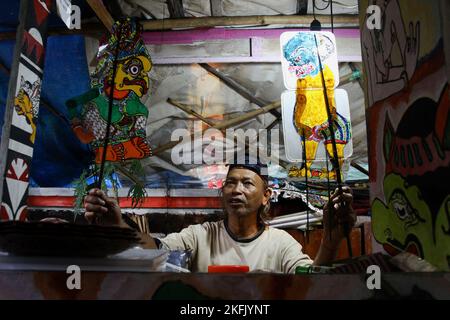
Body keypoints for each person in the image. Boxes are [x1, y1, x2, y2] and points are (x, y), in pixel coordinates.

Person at [83, 161, 356, 273]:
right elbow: (154, 249)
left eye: (248, 183)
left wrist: (329, 244)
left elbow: (307, 281)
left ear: (266, 196)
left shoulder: (281, 243)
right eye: (230, 183)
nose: (237, 189)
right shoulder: (201, 235)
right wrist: (117, 225)